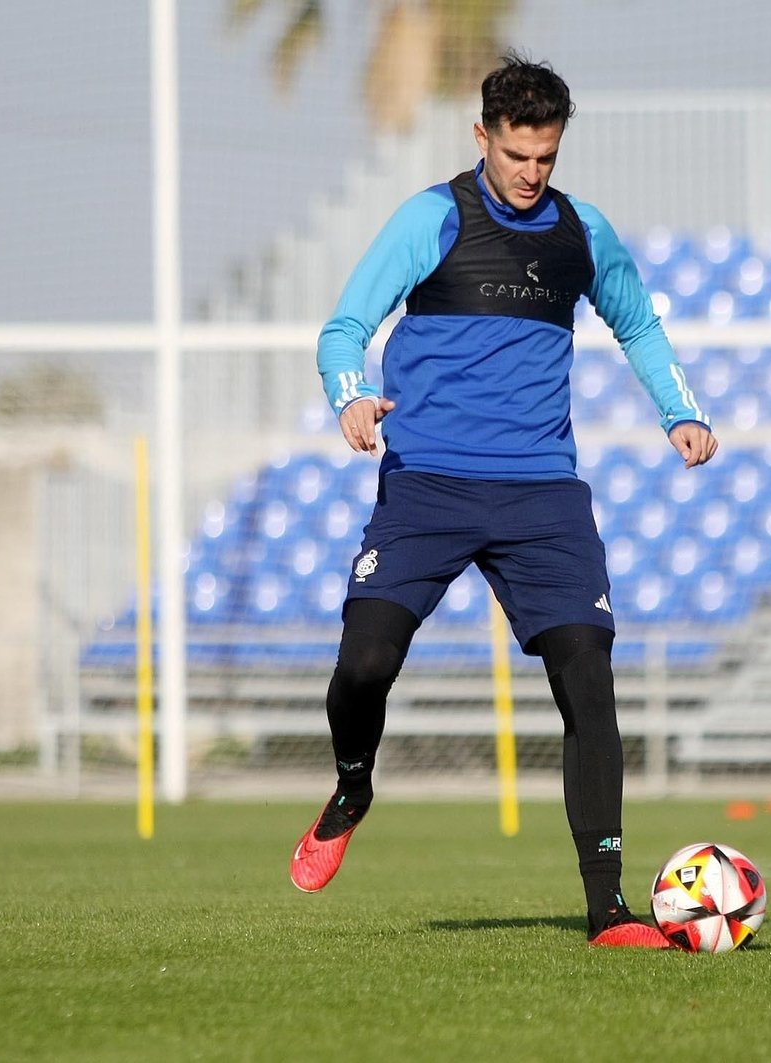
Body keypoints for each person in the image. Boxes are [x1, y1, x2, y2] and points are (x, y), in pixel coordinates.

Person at [289, 53, 715, 948]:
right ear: (482, 136)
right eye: (517, 154)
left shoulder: (582, 233)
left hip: (542, 495)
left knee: (588, 681)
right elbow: (343, 330)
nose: (530, 174)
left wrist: (680, 411)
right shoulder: (431, 218)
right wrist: (349, 396)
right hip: (427, 485)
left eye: (546, 158)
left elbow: (636, 322)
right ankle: (353, 785)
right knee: (364, 662)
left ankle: (608, 912)